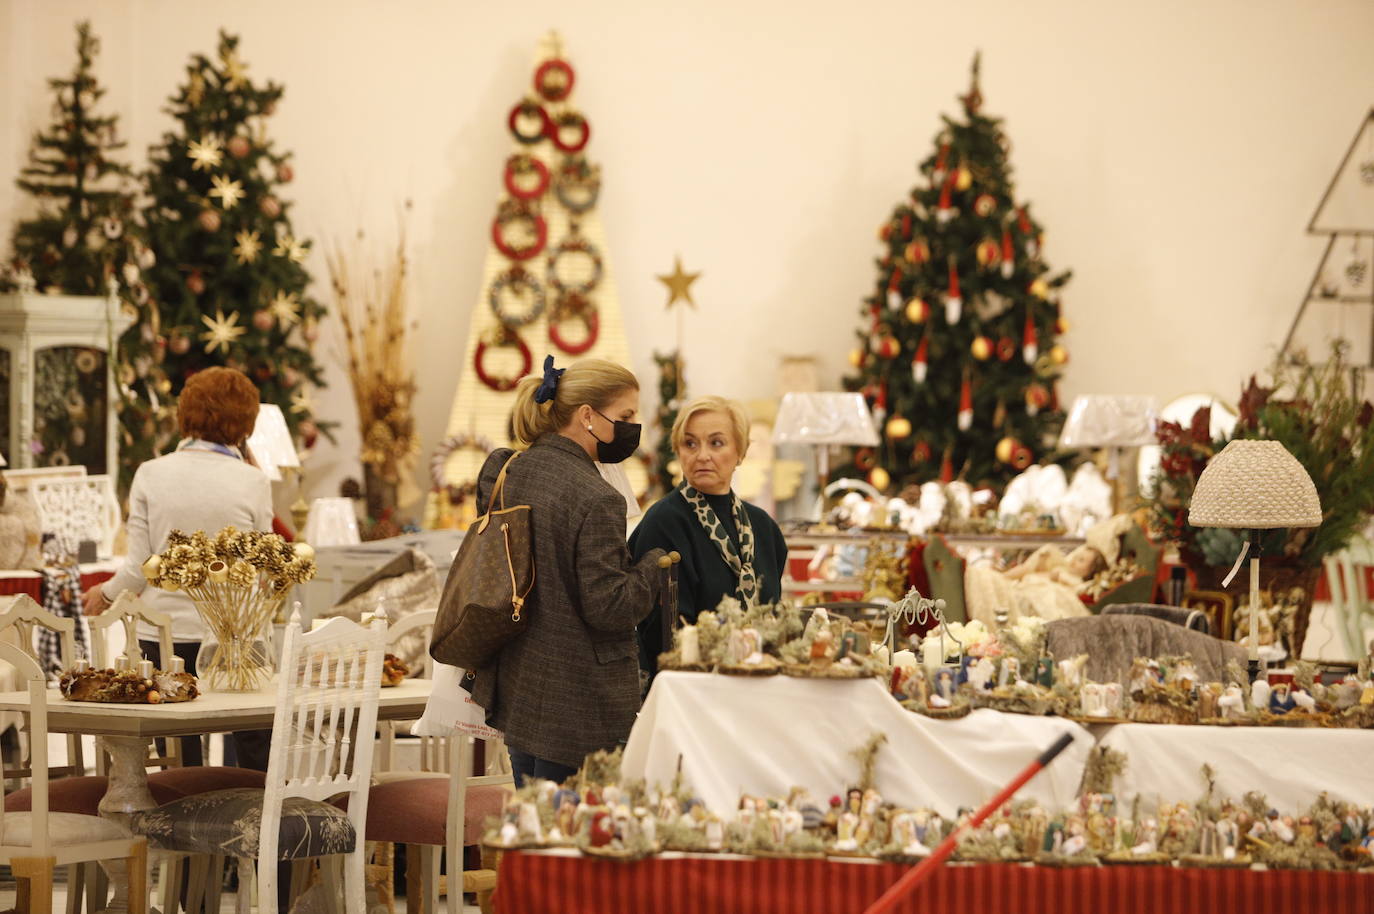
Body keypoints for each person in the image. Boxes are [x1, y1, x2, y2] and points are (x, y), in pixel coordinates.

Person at [469, 356, 665, 787]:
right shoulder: (597, 497)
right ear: (588, 416)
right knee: (576, 837)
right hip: (579, 702)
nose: (634, 427)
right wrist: (652, 565)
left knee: (534, 827)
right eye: (626, 416)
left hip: (518, 683)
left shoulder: (506, 470)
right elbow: (609, 607)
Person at [83, 367, 274, 768]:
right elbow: (262, 564)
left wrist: (103, 595)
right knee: (254, 741)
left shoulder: (151, 474)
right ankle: (258, 815)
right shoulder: (253, 481)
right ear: (245, 424)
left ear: (185, 414)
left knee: (178, 752)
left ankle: (180, 819)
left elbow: (138, 568)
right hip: (235, 636)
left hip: (167, 634)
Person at [629, 396, 788, 674]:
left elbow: (773, 614)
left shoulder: (764, 528)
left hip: (761, 679)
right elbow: (658, 633)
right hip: (688, 687)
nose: (702, 455)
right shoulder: (663, 522)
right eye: (690, 443)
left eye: (716, 443)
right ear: (678, 451)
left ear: (741, 451)